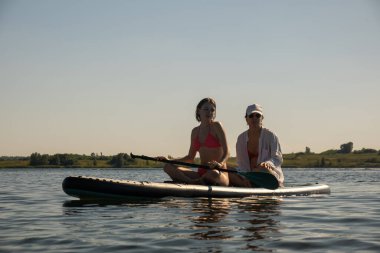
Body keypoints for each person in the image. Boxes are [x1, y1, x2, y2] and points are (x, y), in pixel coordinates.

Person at [161, 98, 230, 186]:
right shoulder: (195, 131)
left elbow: (227, 152)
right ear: (198, 111)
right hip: (201, 173)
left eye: (212, 110)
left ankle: (193, 181)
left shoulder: (217, 126)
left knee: (213, 173)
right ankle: (193, 182)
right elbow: (190, 158)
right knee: (167, 167)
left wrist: (220, 164)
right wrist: (170, 160)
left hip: (218, 173)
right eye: (206, 109)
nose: (209, 112)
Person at [229, 104, 284, 187]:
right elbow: (241, 164)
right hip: (248, 174)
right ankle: (246, 183)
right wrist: (246, 175)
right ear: (246, 119)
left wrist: (268, 163)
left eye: (258, 116)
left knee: (263, 169)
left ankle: (253, 183)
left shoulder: (271, 135)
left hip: (266, 173)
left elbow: (278, 158)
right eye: (251, 116)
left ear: (262, 118)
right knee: (227, 169)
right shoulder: (241, 138)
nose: (254, 118)